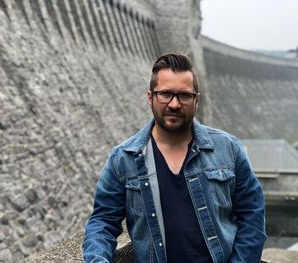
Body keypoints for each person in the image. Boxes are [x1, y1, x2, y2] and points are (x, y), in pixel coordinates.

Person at [83, 53, 266, 263]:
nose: (174, 104)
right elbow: (102, 222)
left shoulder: (228, 148)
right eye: (166, 94)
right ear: (150, 97)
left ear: (196, 100)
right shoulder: (123, 158)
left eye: (184, 95)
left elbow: (252, 215)